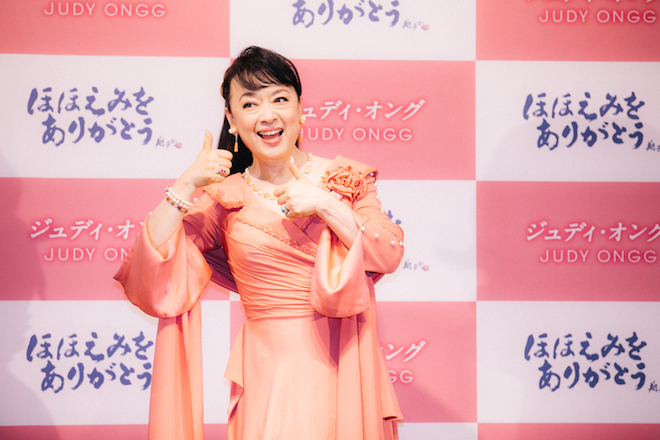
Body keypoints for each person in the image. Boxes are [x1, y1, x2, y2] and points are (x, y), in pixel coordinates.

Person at [114, 46, 404, 440]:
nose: (267, 115)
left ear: (300, 109)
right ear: (233, 120)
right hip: (269, 376)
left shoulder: (345, 180)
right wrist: (186, 184)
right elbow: (154, 274)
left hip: (347, 364)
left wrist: (326, 204)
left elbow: (387, 252)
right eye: (250, 104)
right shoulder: (223, 198)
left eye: (279, 99)